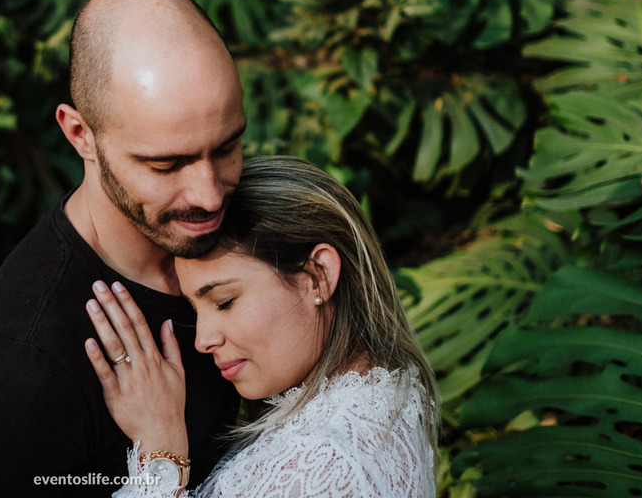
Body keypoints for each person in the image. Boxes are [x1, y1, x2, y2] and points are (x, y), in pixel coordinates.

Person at [0, 0, 246, 497]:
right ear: (80, 135)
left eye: (228, 148)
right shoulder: (24, 361)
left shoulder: (251, 230)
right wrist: (166, 460)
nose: (209, 196)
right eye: (166, 164)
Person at [83, 156, 439, 497]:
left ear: (318, 276)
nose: (203, 340)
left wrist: (161, 455)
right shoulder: (389, 392)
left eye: (225, 301)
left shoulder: (319, 468)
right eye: (194, 308)